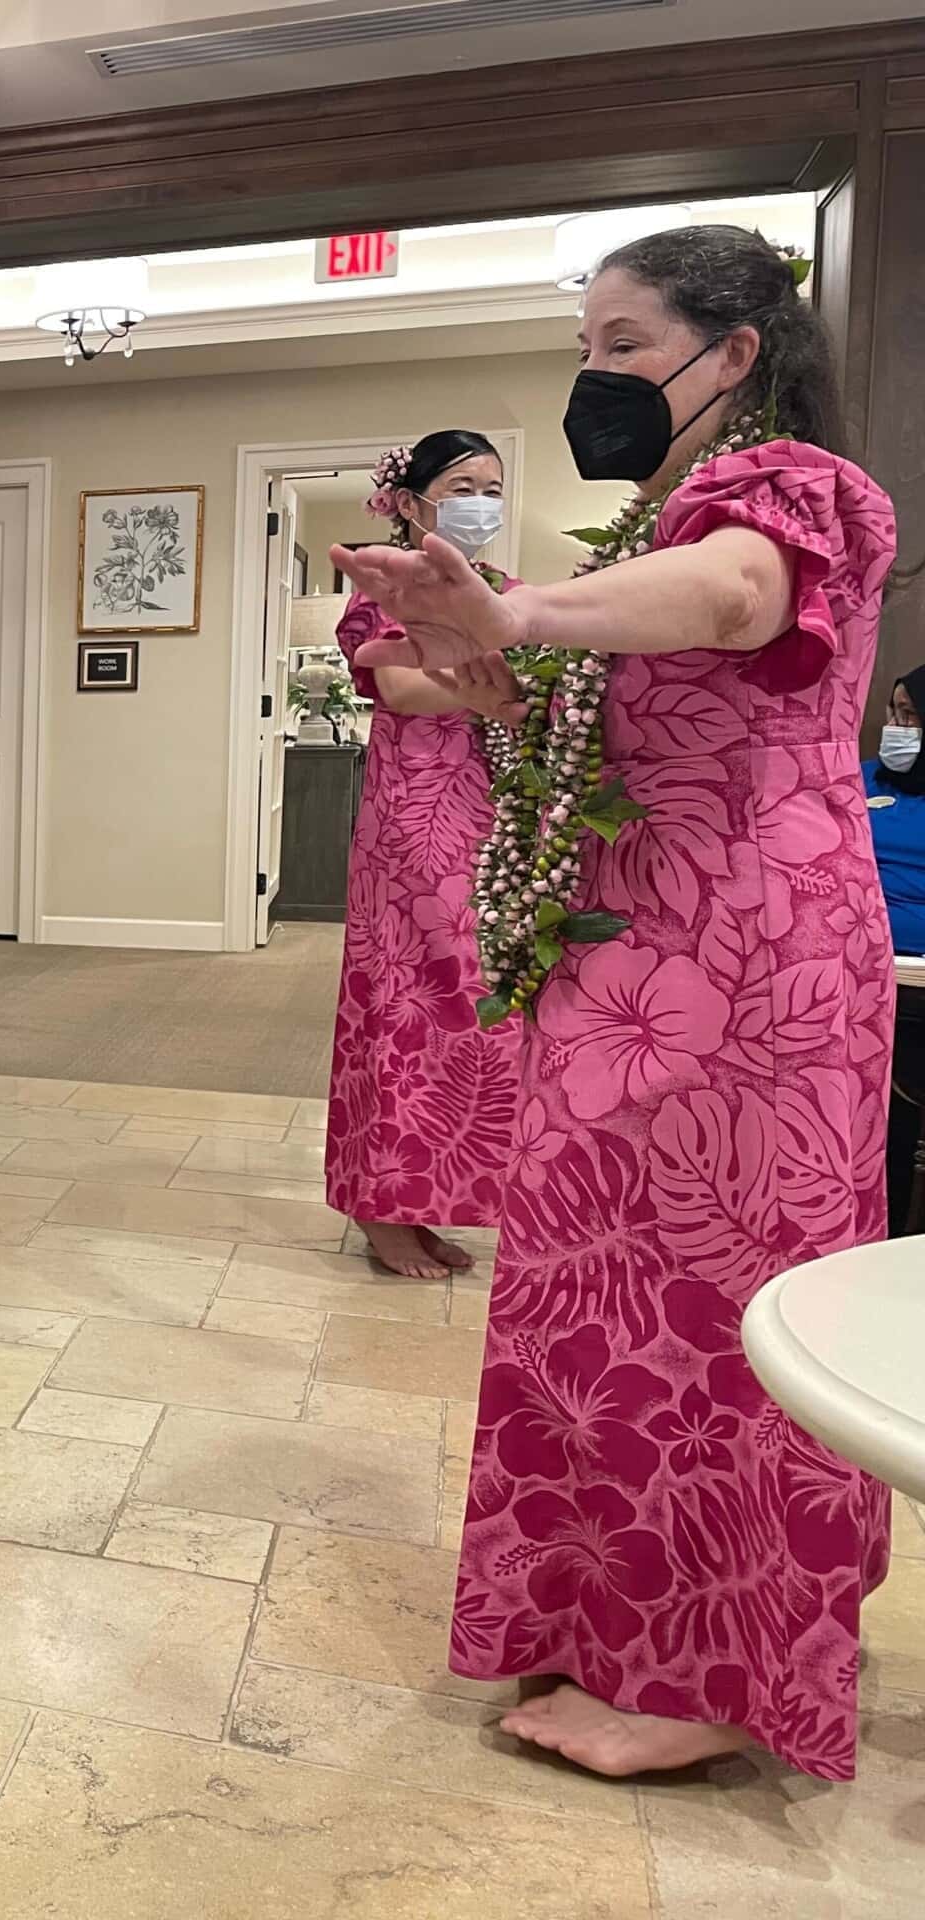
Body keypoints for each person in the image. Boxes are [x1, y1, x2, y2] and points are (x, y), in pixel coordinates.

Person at [337, 223, 898, 1781]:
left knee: (709, 1318)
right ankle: (620, 1632)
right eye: (584, 346)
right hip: (635, 951)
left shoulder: (794, 493)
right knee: (607, 1306)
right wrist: (472, 654)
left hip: (746, 968)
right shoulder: (652, 520)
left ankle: (709, 1680)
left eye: (625, 345)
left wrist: (515, 617)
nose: (596, 376)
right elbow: (577, 728)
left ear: (733, 355)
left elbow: (735, 602)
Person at [326, 431, 523, 1280]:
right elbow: (398, 685)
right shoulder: (384, 581)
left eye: (493, 484)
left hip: (493, 816)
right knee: (407, 1004)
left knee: (479, 1011)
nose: (481, 499)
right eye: (461, 484)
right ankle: (380, 1208)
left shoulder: (511, 593)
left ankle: (433, 1197)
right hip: (415, 822)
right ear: (410, 504)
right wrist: (491, 683)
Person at [862, 666, 925, 1232]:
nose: (896, 729)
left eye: (911, 717)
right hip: (861, 973)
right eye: (892, 713)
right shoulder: (860, 780)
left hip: (920, 985)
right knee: (879, 1126)